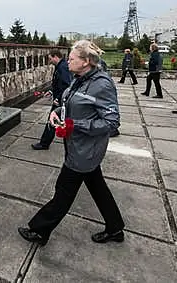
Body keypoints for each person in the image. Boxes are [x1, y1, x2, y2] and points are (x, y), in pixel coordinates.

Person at [18, 40, 125, 246]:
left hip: (85, 151)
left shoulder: (101, 85)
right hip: (77, 146)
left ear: (86, 62)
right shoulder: (80, 78)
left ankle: (40, 230)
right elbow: (70, 101)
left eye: (72, 58)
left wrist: (75, 124)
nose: (68, 62)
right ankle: (115, 227)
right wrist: (58, 112)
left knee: (63, 192)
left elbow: (112, 122)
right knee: (97, 187)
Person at [32, 50, 72, 150]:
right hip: (59, 98)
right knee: (54, 120)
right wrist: (51, 91)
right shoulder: (60, 66)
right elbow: (58, 83)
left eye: (50, 59)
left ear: (56, 57)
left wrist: (58, 98)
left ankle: (44, 143)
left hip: (60, 100)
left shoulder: (63, 68)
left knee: (52, 120)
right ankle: (45, 143)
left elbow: (66, 85)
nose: (49, 61)